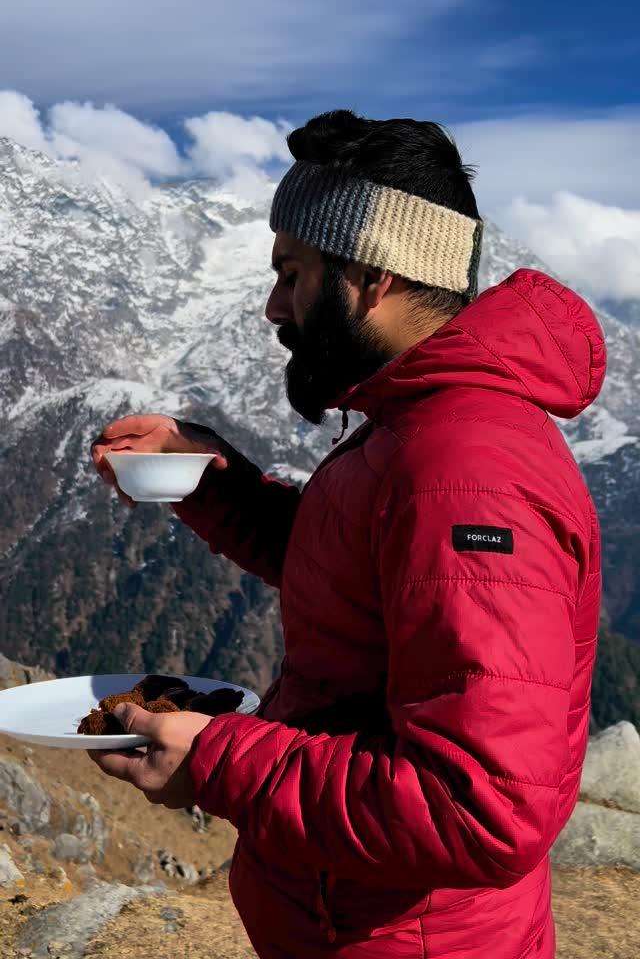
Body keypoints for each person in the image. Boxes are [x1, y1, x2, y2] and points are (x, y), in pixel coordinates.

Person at [91, 110, 606, 959]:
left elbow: (482, 809)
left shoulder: (466, 470)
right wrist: (211, 477)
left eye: (292, 273)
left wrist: (217, 759)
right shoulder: (414, 420)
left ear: (370, 275)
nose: (273, 306)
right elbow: (359, 565)